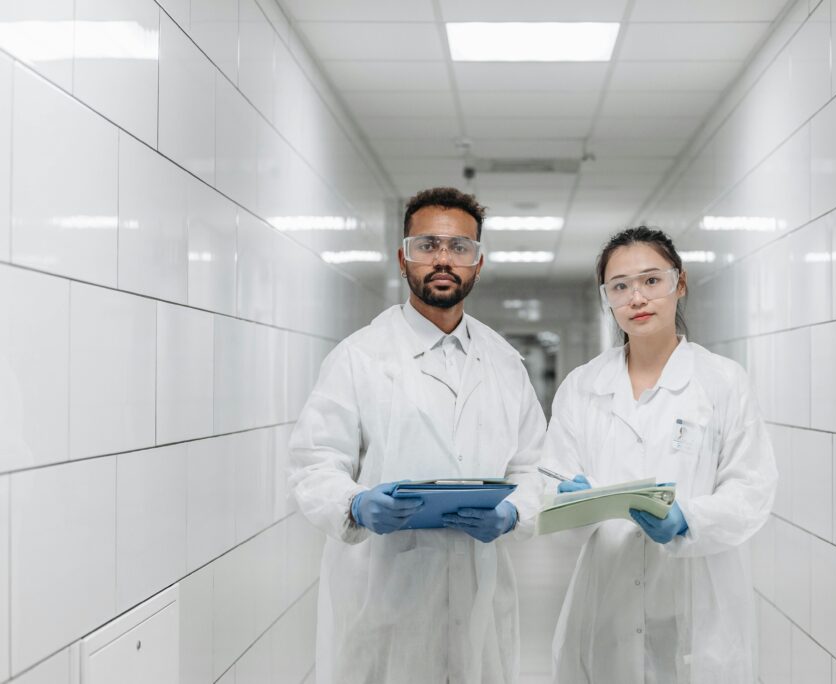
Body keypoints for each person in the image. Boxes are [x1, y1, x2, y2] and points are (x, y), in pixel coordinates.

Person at [288, 187, 546, 684]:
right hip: (383, 595)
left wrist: (516, 512)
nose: (443, 259)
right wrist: (356, 505)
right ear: (403, 258)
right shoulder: (359, 357)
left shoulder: (504, 363)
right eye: (427, 245)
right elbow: (313, 463)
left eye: (459, 248)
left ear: (479, 262)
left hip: (478, 591)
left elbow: (535, 464)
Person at [540, 226, 777, 683]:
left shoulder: (722, 382)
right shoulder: (583, 387)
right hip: (606, 596)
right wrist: (568, 501)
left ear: (679, 284)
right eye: (620, 286)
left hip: (695, 597)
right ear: (606, 298)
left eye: (652, 280)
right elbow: (550, 482)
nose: (637, 298)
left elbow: (752, 486)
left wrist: (688, 519)